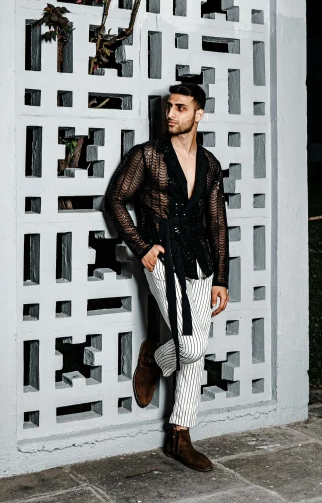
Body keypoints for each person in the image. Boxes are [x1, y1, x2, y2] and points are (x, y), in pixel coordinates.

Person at [104, 83, 229, 472]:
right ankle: (155, 359)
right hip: (163, 260)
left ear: (199, 114)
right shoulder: (147, 156)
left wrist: (222, 278)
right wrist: (142, 247)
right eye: (168, 107)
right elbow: (114, 200)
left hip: (201, 262)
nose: (171, 114)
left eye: (180, 107)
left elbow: (218, 224)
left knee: (195, 352)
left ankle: (180, 434)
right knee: (190, 349)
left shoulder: (209, 163)